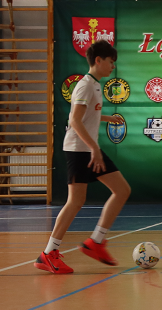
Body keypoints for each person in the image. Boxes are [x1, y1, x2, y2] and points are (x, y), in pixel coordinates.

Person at [35, 40, 131, 274]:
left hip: (88, 149)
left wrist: (106, 118)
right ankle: (48, 254)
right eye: (111, 62)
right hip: (79, 150)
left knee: (122, 190)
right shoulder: (85, 85)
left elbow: (87, 114)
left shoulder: (95, 85)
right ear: (98, 60)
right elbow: (75, 120)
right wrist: (94, 149)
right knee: (75, 201)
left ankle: (96, 242)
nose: (113, 66)